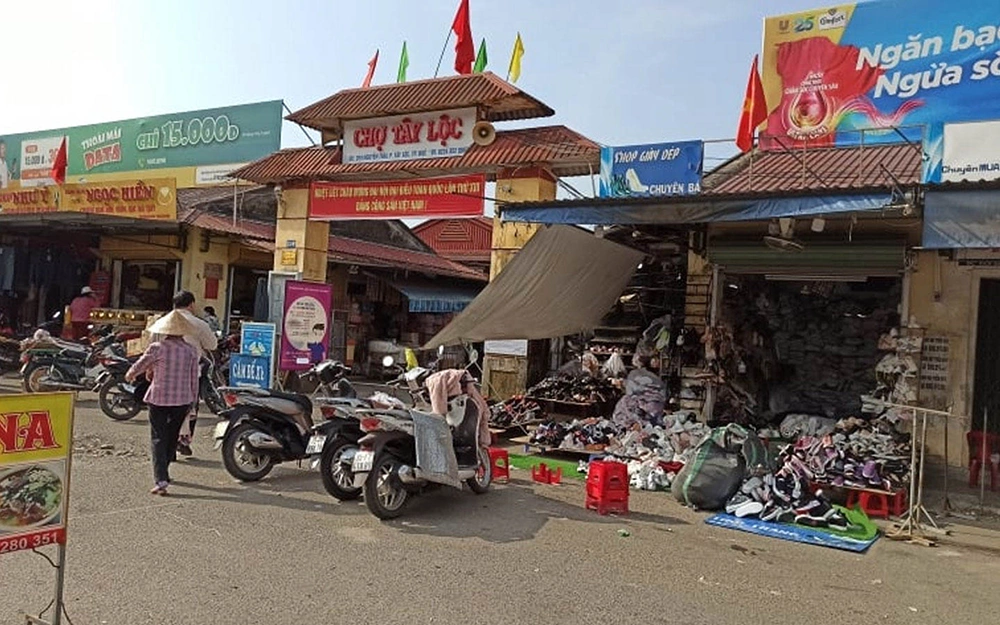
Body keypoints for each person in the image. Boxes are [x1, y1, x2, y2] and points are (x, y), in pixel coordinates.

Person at [125, 311, 200, 495]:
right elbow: (194, 380)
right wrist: (193, 401)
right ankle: (164, 473)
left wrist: (130, 375)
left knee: (158, 437)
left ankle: (161, 479)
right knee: (172, 436)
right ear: (183, 332)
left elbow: (140, 365)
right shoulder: (191, 351)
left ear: (165, 331)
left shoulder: (157, 348)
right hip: (182, 399)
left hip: (159, 399)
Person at [170, 291, 218, 456]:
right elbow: (212, 345)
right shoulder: (198, 324)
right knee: (190, 408)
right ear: (191, 305)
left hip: (166, 373)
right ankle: (183, 440)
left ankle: (169, 442)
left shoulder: (163, 322)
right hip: (190, 373)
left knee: (166, 408)